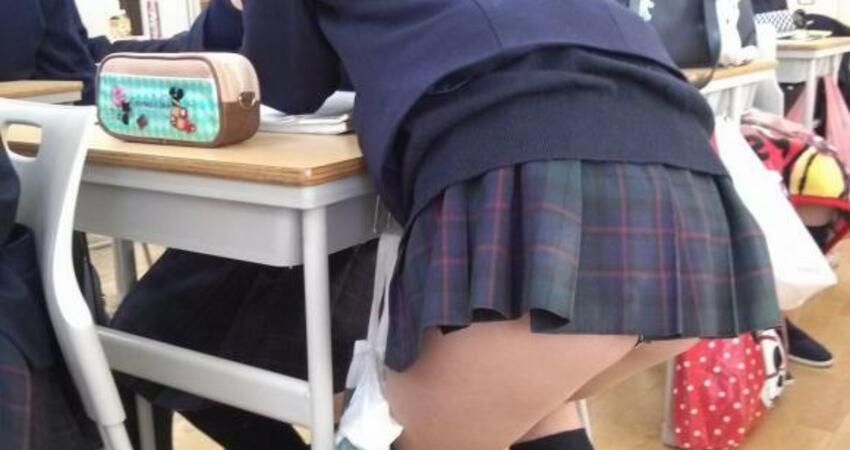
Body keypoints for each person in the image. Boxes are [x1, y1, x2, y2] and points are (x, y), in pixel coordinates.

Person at [238, 1, 784, 448]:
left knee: (397, 433)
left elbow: (283, 85)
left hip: (535, 166)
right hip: (689, 198)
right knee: (531, 406)